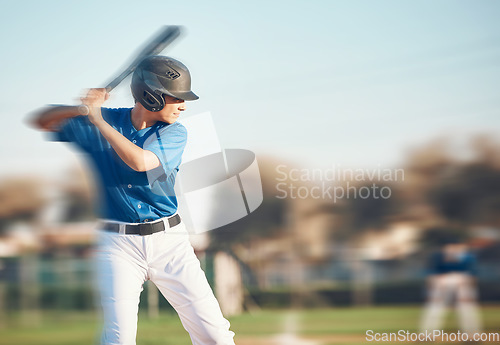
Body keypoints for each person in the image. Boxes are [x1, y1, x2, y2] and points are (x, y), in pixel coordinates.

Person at [31, 55, 236, 345]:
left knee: (213, 334)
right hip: (118, 247)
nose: (183, 105)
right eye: (175, 97)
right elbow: (41, 120)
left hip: (170, 244)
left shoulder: (173, 131)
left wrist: (98, 121)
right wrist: (80, 108)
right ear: (150, 95)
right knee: (118, 339)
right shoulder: (101, 119)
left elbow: (141, 162)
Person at [420, 237, 481, 337]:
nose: (454, 250)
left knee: (467, 309)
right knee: (435, 308)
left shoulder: (468, 258)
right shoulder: (438, 257)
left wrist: (467, 283)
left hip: (463, 281)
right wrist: (436, 282)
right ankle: (427, 335)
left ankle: (472, 335)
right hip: (441, 282)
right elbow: (431, 273)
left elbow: (473, 274)